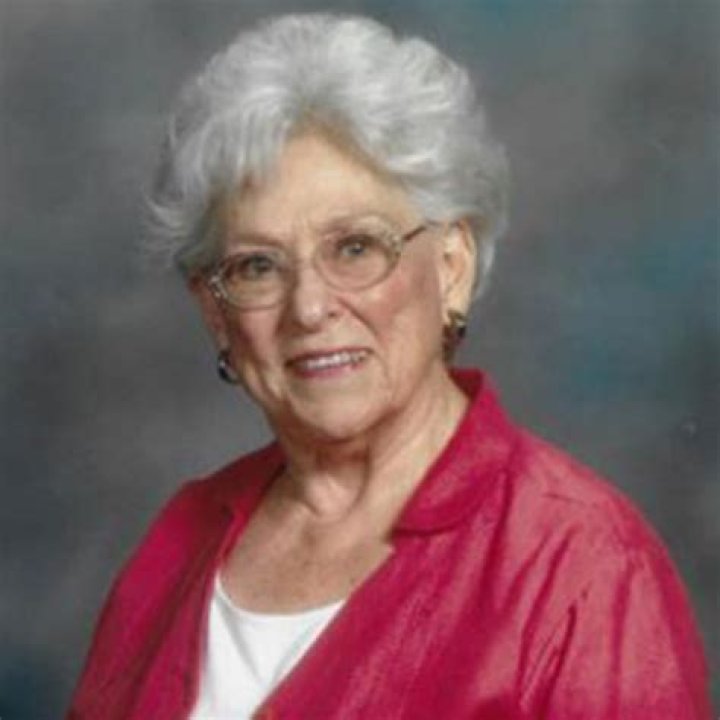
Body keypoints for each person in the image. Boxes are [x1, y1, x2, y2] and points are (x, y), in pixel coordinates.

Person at [67, 13, 711, 720]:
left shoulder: (581, 565)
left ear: (451, 267)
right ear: (216, 311)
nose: (310, 307)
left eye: (355, 248)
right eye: (257, 266)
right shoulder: (179, 541)